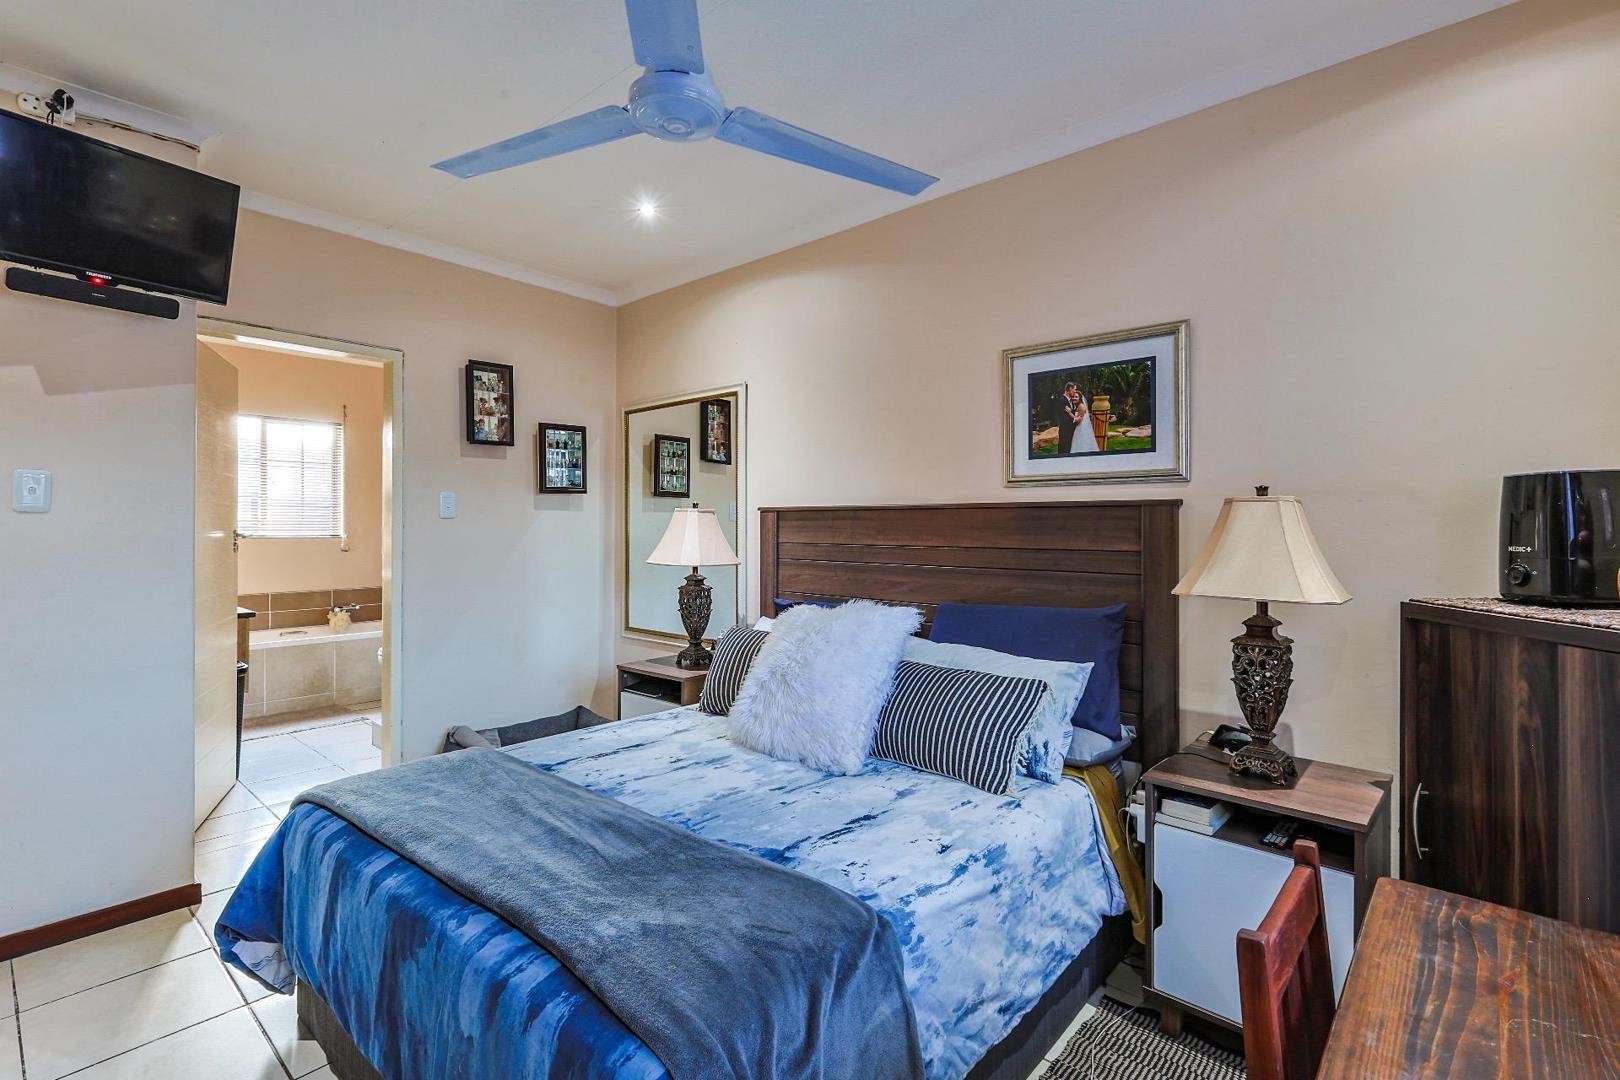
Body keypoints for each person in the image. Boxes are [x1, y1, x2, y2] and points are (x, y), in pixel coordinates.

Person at [1064, 384, 1099, 453]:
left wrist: (1069, 413)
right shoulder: (1078, 406)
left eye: (1076, 397)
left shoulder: (1081, 407)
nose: (1074, 398)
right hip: (1079, 428)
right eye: (1073, 397)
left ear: (1080, 398)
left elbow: (1079, 420)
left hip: (1081, 429)